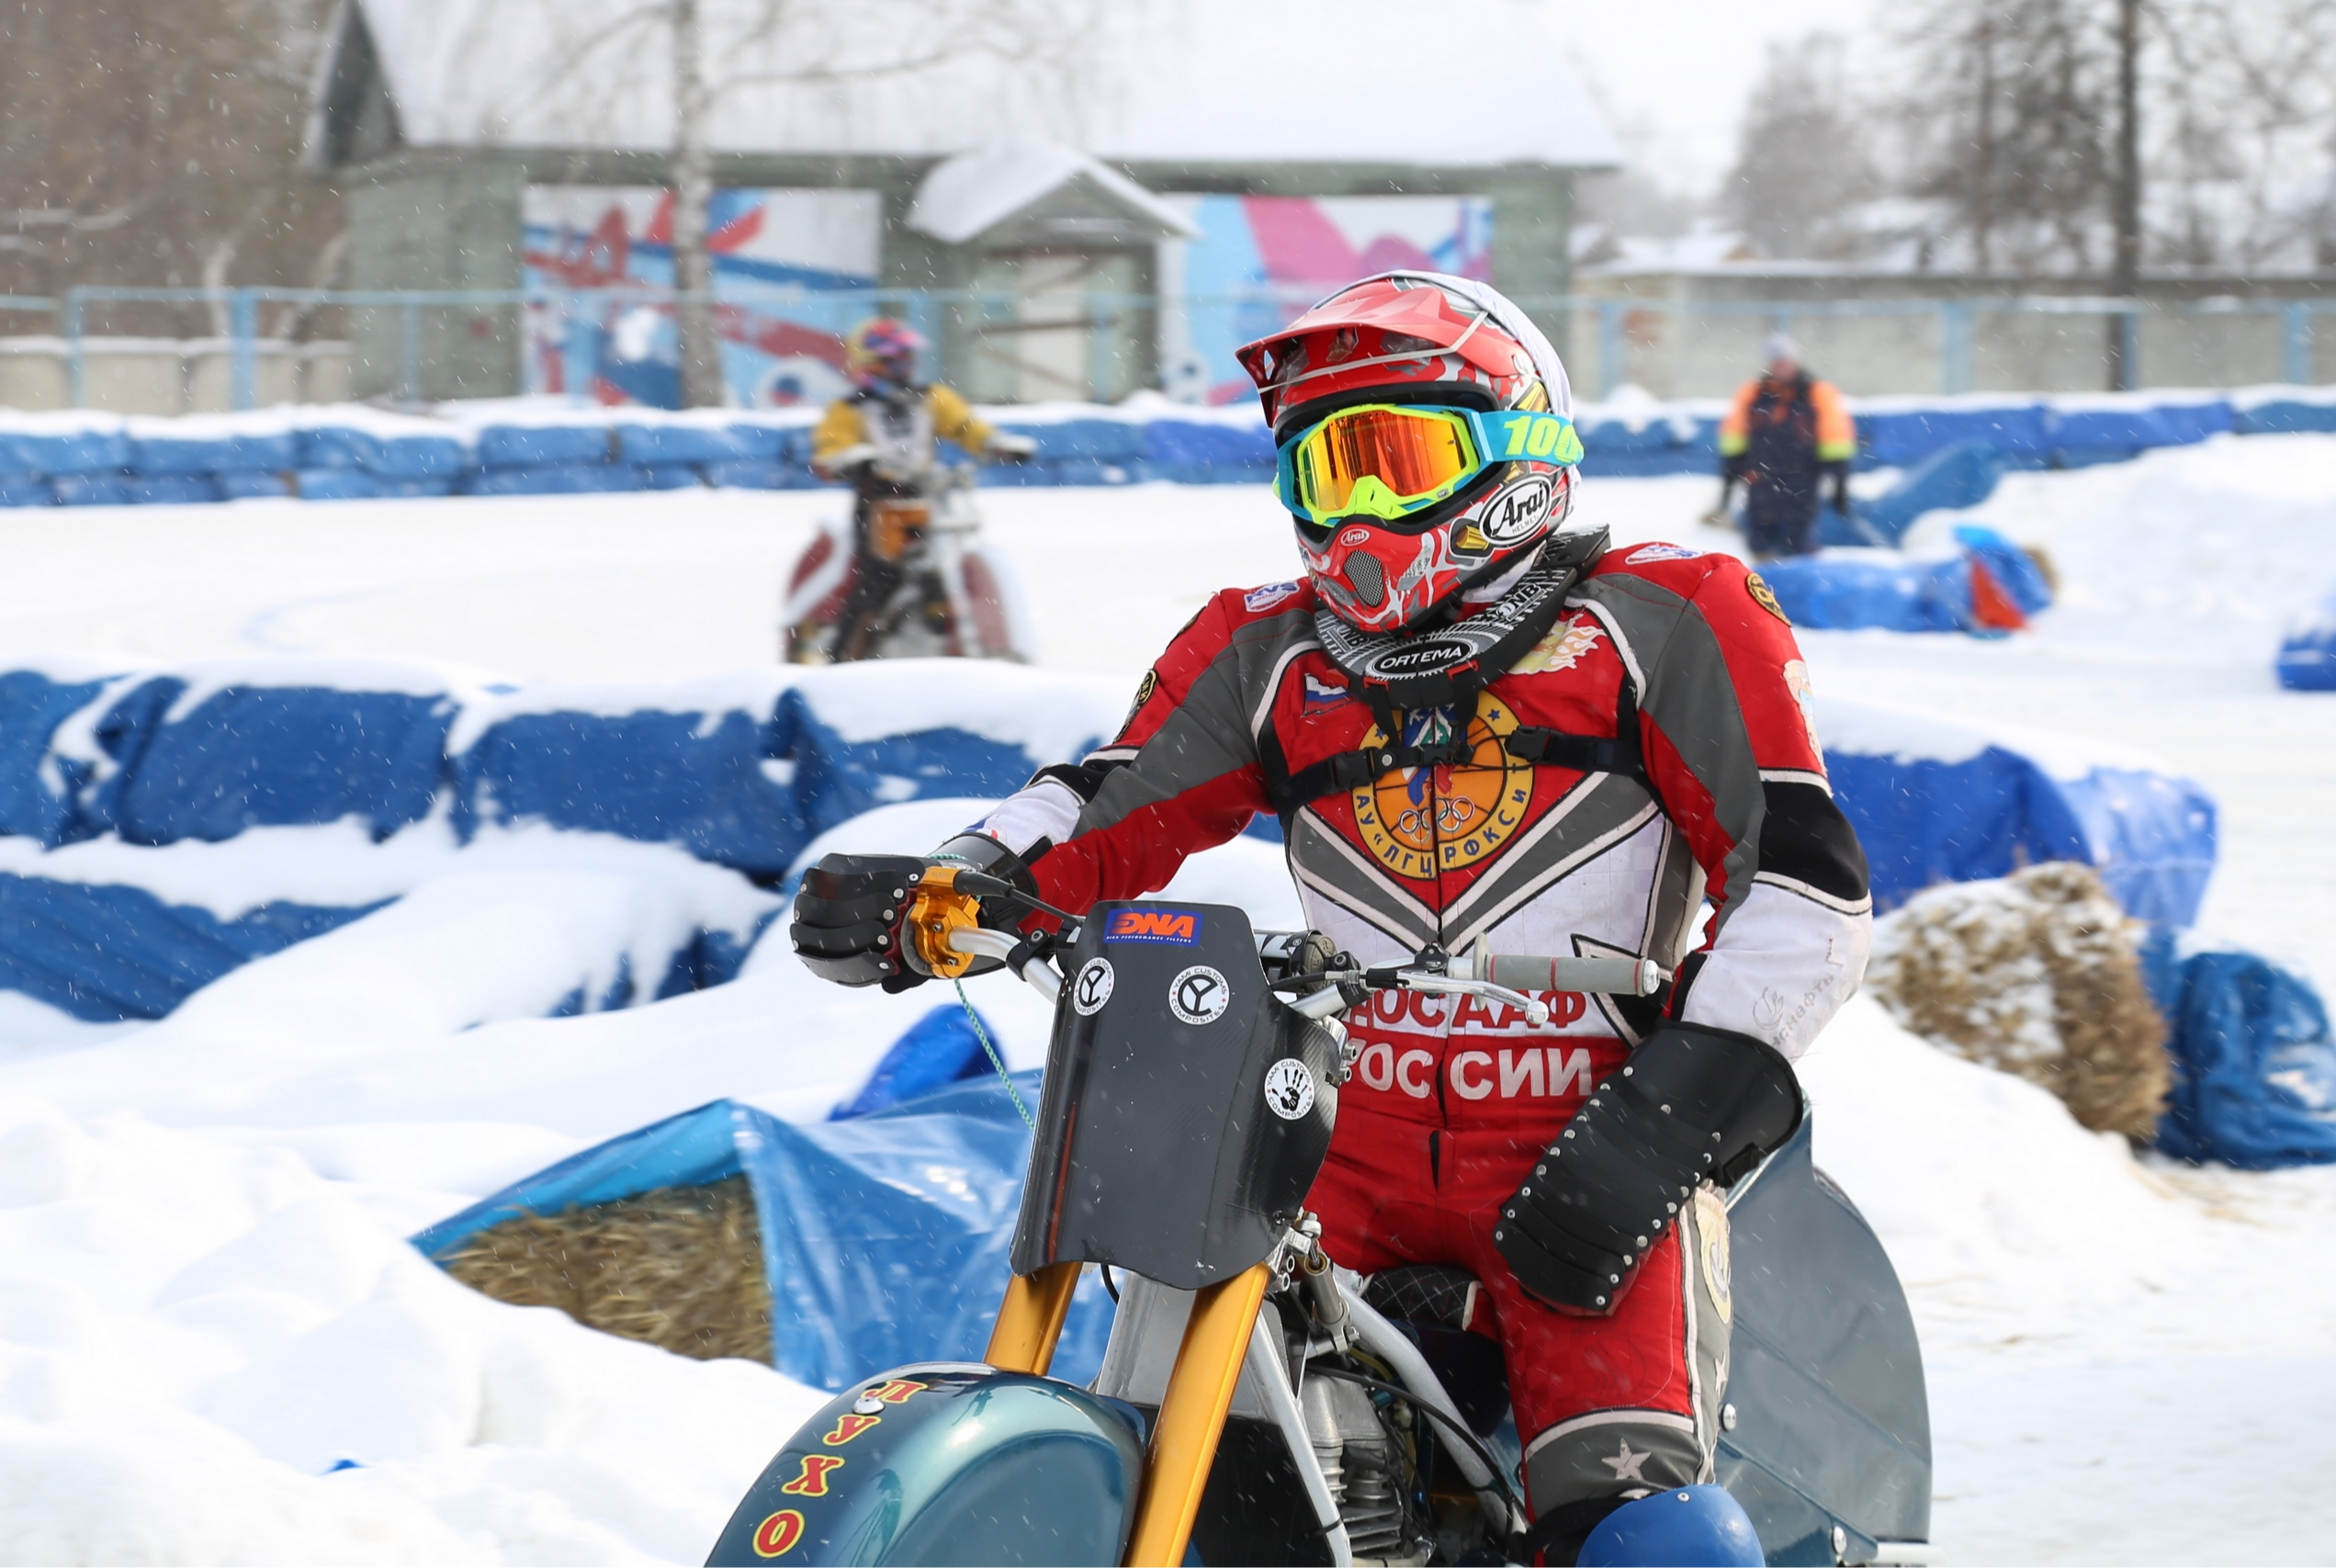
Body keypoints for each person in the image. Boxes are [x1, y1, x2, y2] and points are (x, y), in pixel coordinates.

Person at [792, 274, 1871, 1563]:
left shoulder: (1666, 616)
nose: (1351, 512)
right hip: (1323, 1143)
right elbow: (1102, 805)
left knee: (1648, 1540)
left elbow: (1805, 887)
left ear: (1516, 454)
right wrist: (945, 884)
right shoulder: (1261, 650)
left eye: (1391, 461)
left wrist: (1660, 1126)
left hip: (1584, 1136)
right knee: (1221, 1483)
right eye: (1322, 469)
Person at [809, 318, 1033, 659]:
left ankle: (951, 638)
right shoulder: (850, 409)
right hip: (880, 504)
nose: (905, 367)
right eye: (895, 359)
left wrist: (995, 443)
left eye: (908, 358)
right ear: (870, 364)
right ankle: (843, 658)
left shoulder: (930, 399)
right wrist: (852, 458)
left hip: (927, 498)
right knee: (876, 581)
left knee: (946, 564)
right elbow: (830, 448)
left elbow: (964, 425)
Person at [1708, 333, 1856, 559]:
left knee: (1799, 539)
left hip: (1802, 479)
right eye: (1776, 362)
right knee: (1759, 537)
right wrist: (1730, 477)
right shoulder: (1753, 393)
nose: (1781, 367)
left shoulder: (1817, 393)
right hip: (1761, 478)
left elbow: (1835, 437)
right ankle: (1761, 584)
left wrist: (1840, 484)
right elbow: (1734, 435)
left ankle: (1796, 583)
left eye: (1785, 361)